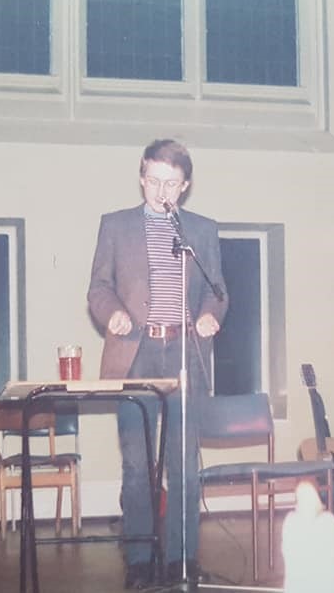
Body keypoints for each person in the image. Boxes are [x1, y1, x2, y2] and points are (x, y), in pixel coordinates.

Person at [87, 139, 228, 588]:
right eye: (152, 180)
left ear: (184, 186)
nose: (159, 190)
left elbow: (217, 291)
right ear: (141, 176)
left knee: (184, 463)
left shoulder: (201, 231)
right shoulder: (116, 225)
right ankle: (141, 561)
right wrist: (112, 312)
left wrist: (209, 315)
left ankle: (181, 560)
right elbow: (98, 288)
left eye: (169, 182)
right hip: (136, 353)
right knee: (136, 463)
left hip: (183, 353)